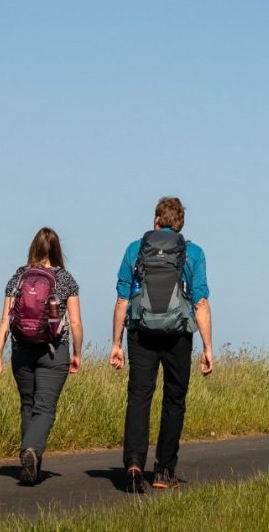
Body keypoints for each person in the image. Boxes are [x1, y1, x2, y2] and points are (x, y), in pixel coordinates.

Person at [110, 196, 214, 492]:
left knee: (139, 396)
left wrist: (116, 343)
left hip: (140, 331)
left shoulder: (135, 248)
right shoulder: (192, 252)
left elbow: (122, 299)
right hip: (178, 335)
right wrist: (208, 347)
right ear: (180, 224)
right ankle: (164, 470)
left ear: (156, 219)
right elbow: (201, 301)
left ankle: (132, 465)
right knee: (174, 398)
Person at [0, 227, 83, 486]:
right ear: (58, 250)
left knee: (28, 404)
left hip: (21, 350)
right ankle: (31, 449)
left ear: (32, 248)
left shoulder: (17, 278)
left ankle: (31, 462)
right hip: (54, 351)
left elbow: (5, 321)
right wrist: (77, 352)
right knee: (45, 407)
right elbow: (74, 322)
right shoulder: (65, 279)